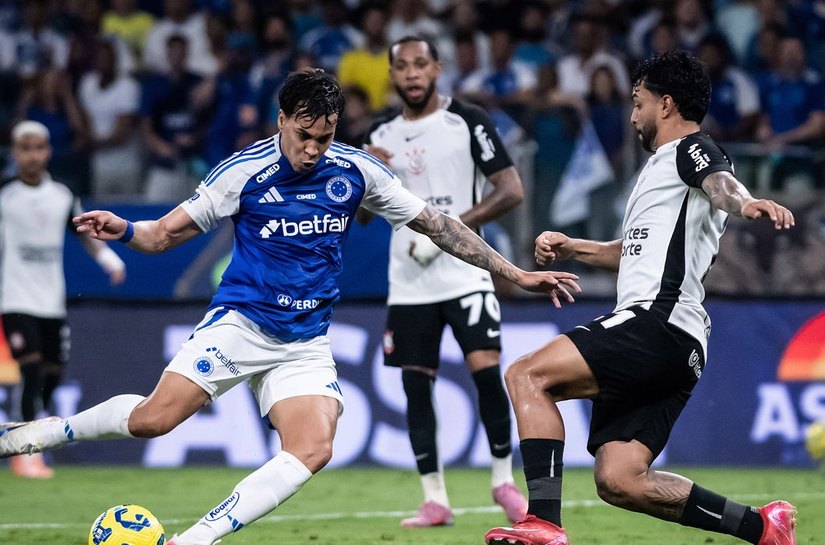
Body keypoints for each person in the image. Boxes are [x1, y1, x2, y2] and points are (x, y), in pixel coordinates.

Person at [0, 69, 579, 545]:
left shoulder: (355, 171)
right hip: (240, 324)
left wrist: (513, 273)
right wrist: (125, 229)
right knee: (154, 421)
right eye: (304, 134)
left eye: (324, 137)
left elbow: (439, 226)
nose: (313, 148)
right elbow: (162, 236)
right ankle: (41, 433)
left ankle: (192, 541)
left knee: (314, 447)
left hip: (303, 341)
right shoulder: (243, 172)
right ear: (281, 120)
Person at [485, 50, 798, 545]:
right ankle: (763, 528)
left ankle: (542, 523)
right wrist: (573, 248)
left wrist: (746, 202)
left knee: (527, 374)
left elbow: (721, 184)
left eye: (638, 102)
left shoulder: (690, 150)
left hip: (657, 322)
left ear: (666, 104)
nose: (632, 114)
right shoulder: (660, 174)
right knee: (619, 479)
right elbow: (633, 252)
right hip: (684, 342)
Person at [362, 35, 528, 528]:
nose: (412, 73)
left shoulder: (469, 120)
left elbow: (511, 189)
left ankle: (504, 481)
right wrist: (371, 175)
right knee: (416, 388)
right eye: (402, 66)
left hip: (467, 273)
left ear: (437, 68)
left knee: (486, 372)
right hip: (409, 282)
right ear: (391, 75)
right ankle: (434, 498)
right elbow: (365, 218)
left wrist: (448, 227)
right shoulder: (380, 134)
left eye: (420, 64)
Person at [0, 121, 126, 479]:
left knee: (52, 375)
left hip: (51, 299)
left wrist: (110, 260)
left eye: (39, 147)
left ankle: (31, 438)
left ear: (48, 151)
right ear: (14, 151)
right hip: (15, 297)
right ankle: (24, 453)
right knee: (32, 370)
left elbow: (85, 234)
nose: (32, 155)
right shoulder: (4, 194)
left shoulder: (62, 195)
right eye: (25, 148)